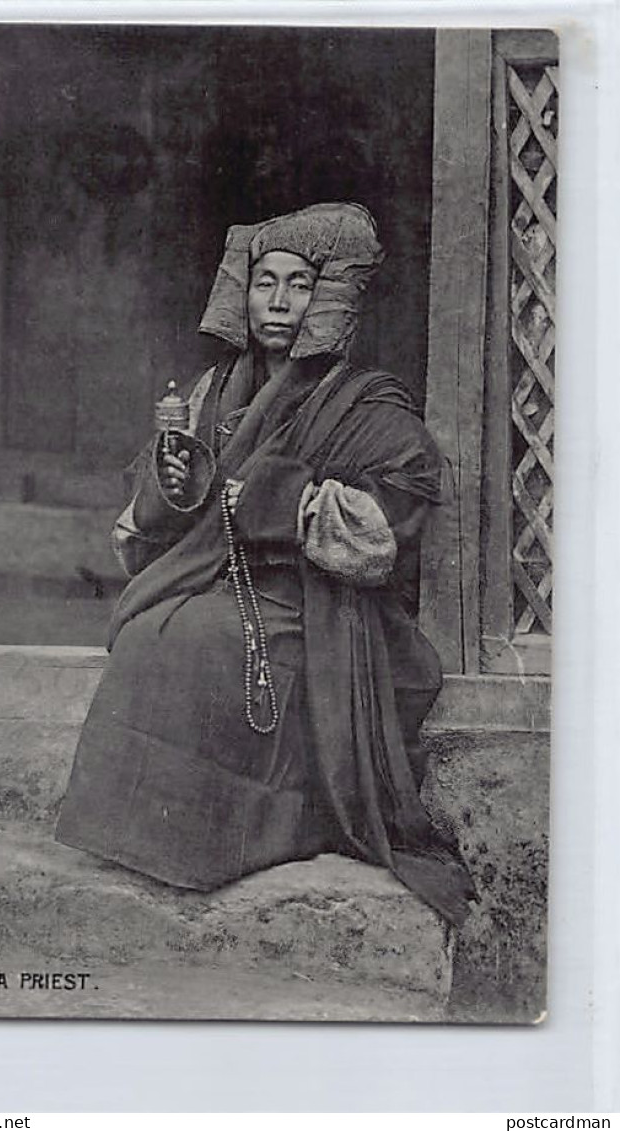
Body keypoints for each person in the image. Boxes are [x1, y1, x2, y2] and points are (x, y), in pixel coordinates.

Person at [55, 202, 476, 927]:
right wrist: (175, 480)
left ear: (329, 299)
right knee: (150, 630)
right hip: (218, 578)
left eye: (299, 286)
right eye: (264, 283)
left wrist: (282, 498)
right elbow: (167, 515)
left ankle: (232, 835)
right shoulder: (214, 390)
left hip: (307, 603)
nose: (278, 302)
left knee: (198, 642)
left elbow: (390, 514)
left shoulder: (363, 400)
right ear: (240, 294)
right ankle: (141, 833)